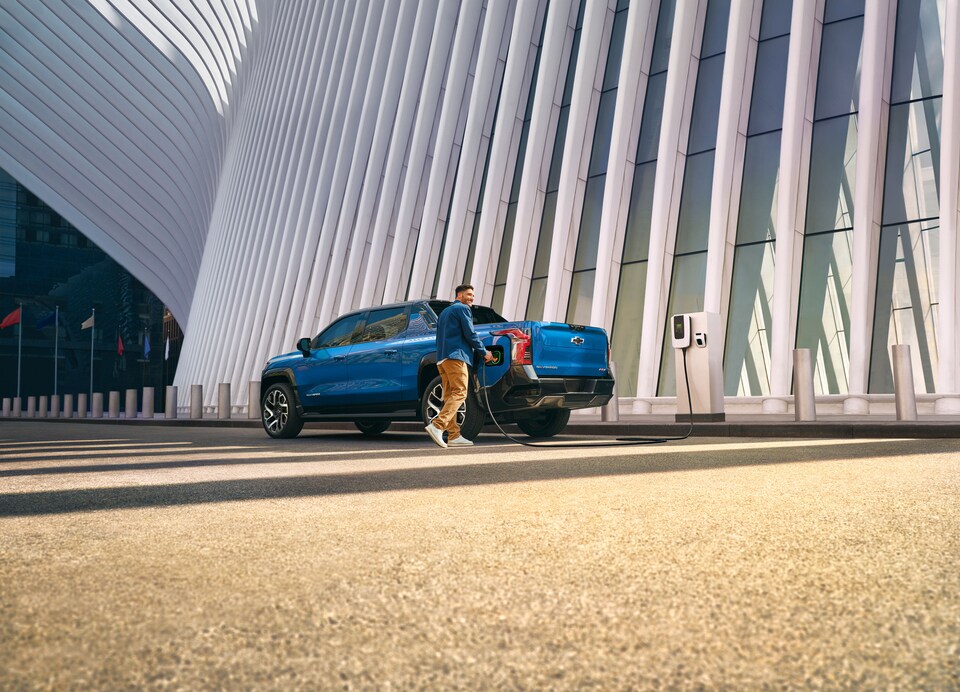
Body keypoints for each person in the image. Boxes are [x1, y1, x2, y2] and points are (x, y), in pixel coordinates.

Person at [425, 284, 494, 448]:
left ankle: (454, 436)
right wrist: (485, 353)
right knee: (460, 393)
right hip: (457, 357)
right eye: (469, 295)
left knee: (449, 396)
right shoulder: (462, 309)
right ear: (459, 295)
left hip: (443, 359)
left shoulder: (444, 313)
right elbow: (470, 333)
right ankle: (438, 425)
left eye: (472, 296)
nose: (471, 298)